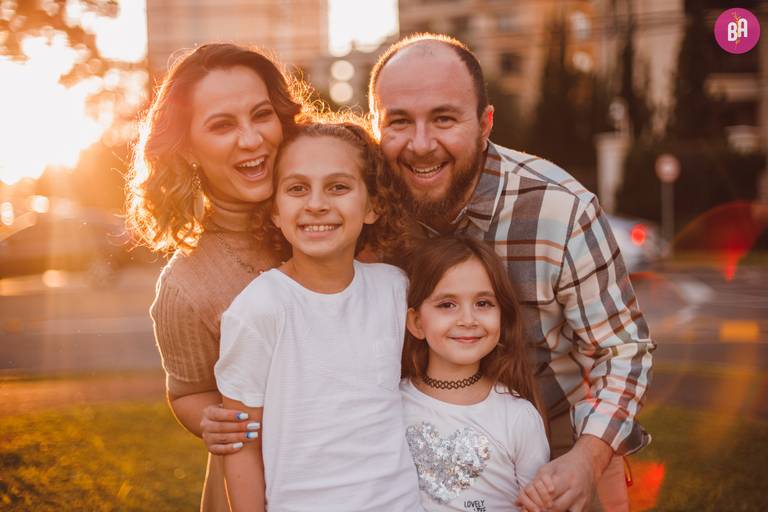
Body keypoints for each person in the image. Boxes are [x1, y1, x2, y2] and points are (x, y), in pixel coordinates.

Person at [368, 33, 655, 512]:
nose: (420, 144)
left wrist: (588, 459)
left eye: (443, 119)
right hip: (402, 462)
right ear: (377, 125)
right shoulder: (360, 209)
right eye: (399, 122)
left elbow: (621, 350)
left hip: (552, 456)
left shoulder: (560, 209)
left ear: (485, 124)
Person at [126, 42, 311, 511]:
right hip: (260, 483)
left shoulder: (333, 217)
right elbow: (187, 393)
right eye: (222, 125)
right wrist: (211, 418)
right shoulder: (186, 285)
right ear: (188, 149)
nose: (251, 140)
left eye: (261, 115)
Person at [213, 122, 422, 511]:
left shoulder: (395, 289)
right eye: (297, 189)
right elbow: (242, 444)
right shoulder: (259, 309)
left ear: (373, 205)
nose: (316, 204)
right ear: (275, 211)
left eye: (338, 187)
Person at [400, 235, 552, 511]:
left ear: (502, 314)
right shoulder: (392, 406)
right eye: (447, 304)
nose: (468, 320)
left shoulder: (518, 416)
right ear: (417, 322)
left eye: (483, 303)